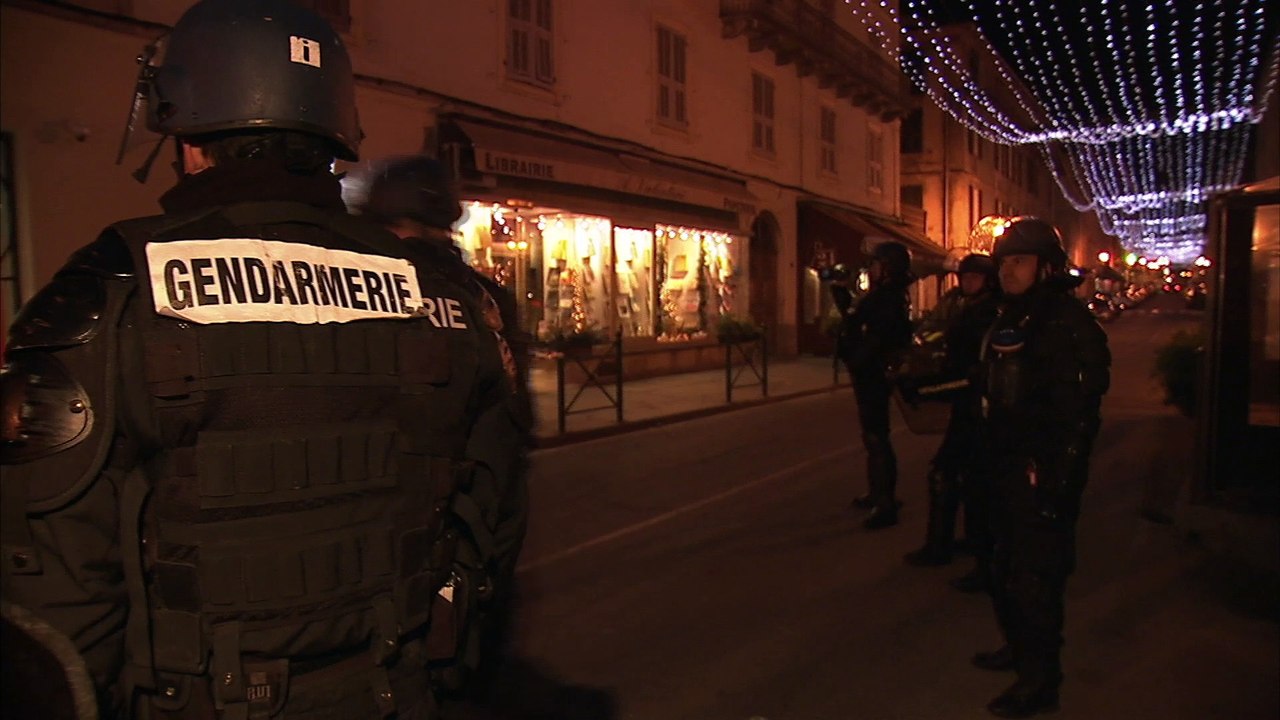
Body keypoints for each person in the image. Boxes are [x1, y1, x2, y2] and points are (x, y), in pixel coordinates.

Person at [0, 2, 525, 718]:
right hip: (394, 690)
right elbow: (485, 528)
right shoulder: (449, 296)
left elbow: (53, 590)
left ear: (185, 134)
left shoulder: (111, 290)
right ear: (334, 129)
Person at [357, 157, 615, 720]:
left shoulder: (369, 290)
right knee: (470, 665)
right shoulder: (485, 296)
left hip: (393, 542)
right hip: (479, 525)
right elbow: (514, 422)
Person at [970, 217, 1110, 718]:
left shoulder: (1066, 325)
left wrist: (1057, 484)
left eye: (1019, 261)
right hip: (1006, 468)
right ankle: (1018, 649)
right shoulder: (1011, 316)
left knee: (1035, 580)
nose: (1008, 270)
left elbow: (1078, 416)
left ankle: (1039, 680)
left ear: (1046, 267)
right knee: (1003, 568)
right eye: (1004, 261)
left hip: (1040, 474)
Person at [902, 253, 999, 570]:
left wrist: (927, 386)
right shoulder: (962, 306)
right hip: (969, 404)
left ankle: (942, 547)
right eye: (965, 277)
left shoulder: (985, 314)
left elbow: (970, 370)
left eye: (974, 278)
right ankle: (972, 542)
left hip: (978, 405)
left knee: (947, 472)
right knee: (971, 477)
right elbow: (938, 339)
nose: (967, 282)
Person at [830, 241, 916, 530]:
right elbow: (855, 317)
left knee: (877, 436)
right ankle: (877, 493)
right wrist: (839, 291)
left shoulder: (889, 298)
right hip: (869, 371)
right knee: (872, 435)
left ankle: (886, 503)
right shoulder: (882, 295)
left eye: (877, 263)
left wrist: (858, 358)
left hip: (874, 373)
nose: (872, 268)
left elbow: (876, 335)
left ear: (889, 267)